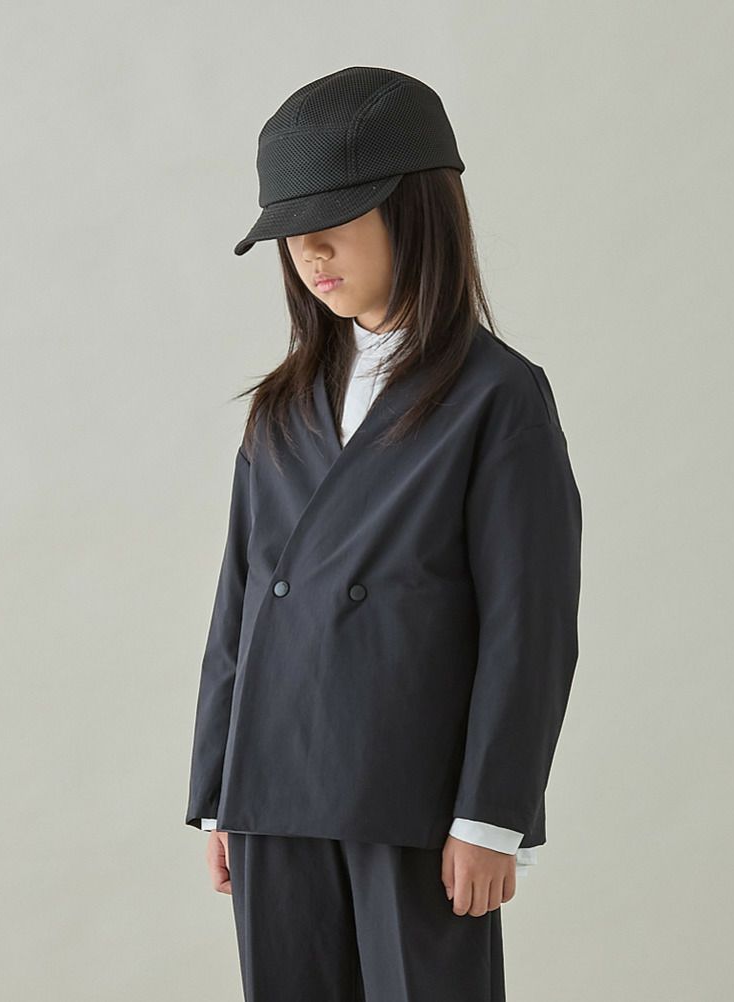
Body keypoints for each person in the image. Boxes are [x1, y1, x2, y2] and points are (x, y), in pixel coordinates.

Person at [185, 65, 583, 1002]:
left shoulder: (496, 396)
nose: (308, 252)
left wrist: (490, 816)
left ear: (417, 209)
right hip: (274, 784)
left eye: (333, 221)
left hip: (414, 795)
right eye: (291, 233)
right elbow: (240, 606)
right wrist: (217, 793)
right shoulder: (281, 407)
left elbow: (529, 626)